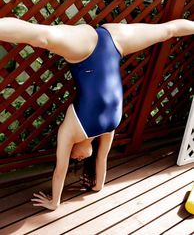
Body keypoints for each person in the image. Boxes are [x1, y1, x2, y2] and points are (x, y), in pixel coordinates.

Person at [0, 17, 194, 210]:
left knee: (42, 37)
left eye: (73, 158)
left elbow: (60, 170)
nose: (77, 159)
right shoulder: (108, 129)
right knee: (167, 31)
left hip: (83, 50)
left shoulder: (71, 130)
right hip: (113, 41)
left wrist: (54, 203)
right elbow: (100, 168)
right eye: (80, 161)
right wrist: (97, 184)